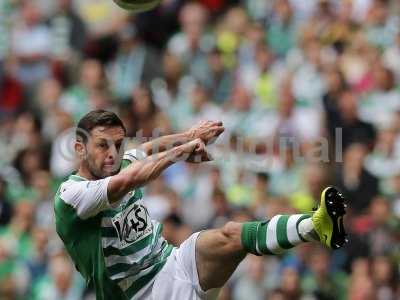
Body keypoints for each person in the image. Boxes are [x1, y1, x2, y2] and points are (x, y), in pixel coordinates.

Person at [54, 110, 348, 299]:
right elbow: (128, 181)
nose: (113, 153)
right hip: (139, 293)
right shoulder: (72, 195)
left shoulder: (120, 162)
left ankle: (317, 225)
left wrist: (189, 136)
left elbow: (147, 149)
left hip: (171, 261)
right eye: (102, 145)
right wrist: (183, 151)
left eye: (118, 145)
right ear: (80, 148)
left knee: (231, 235)